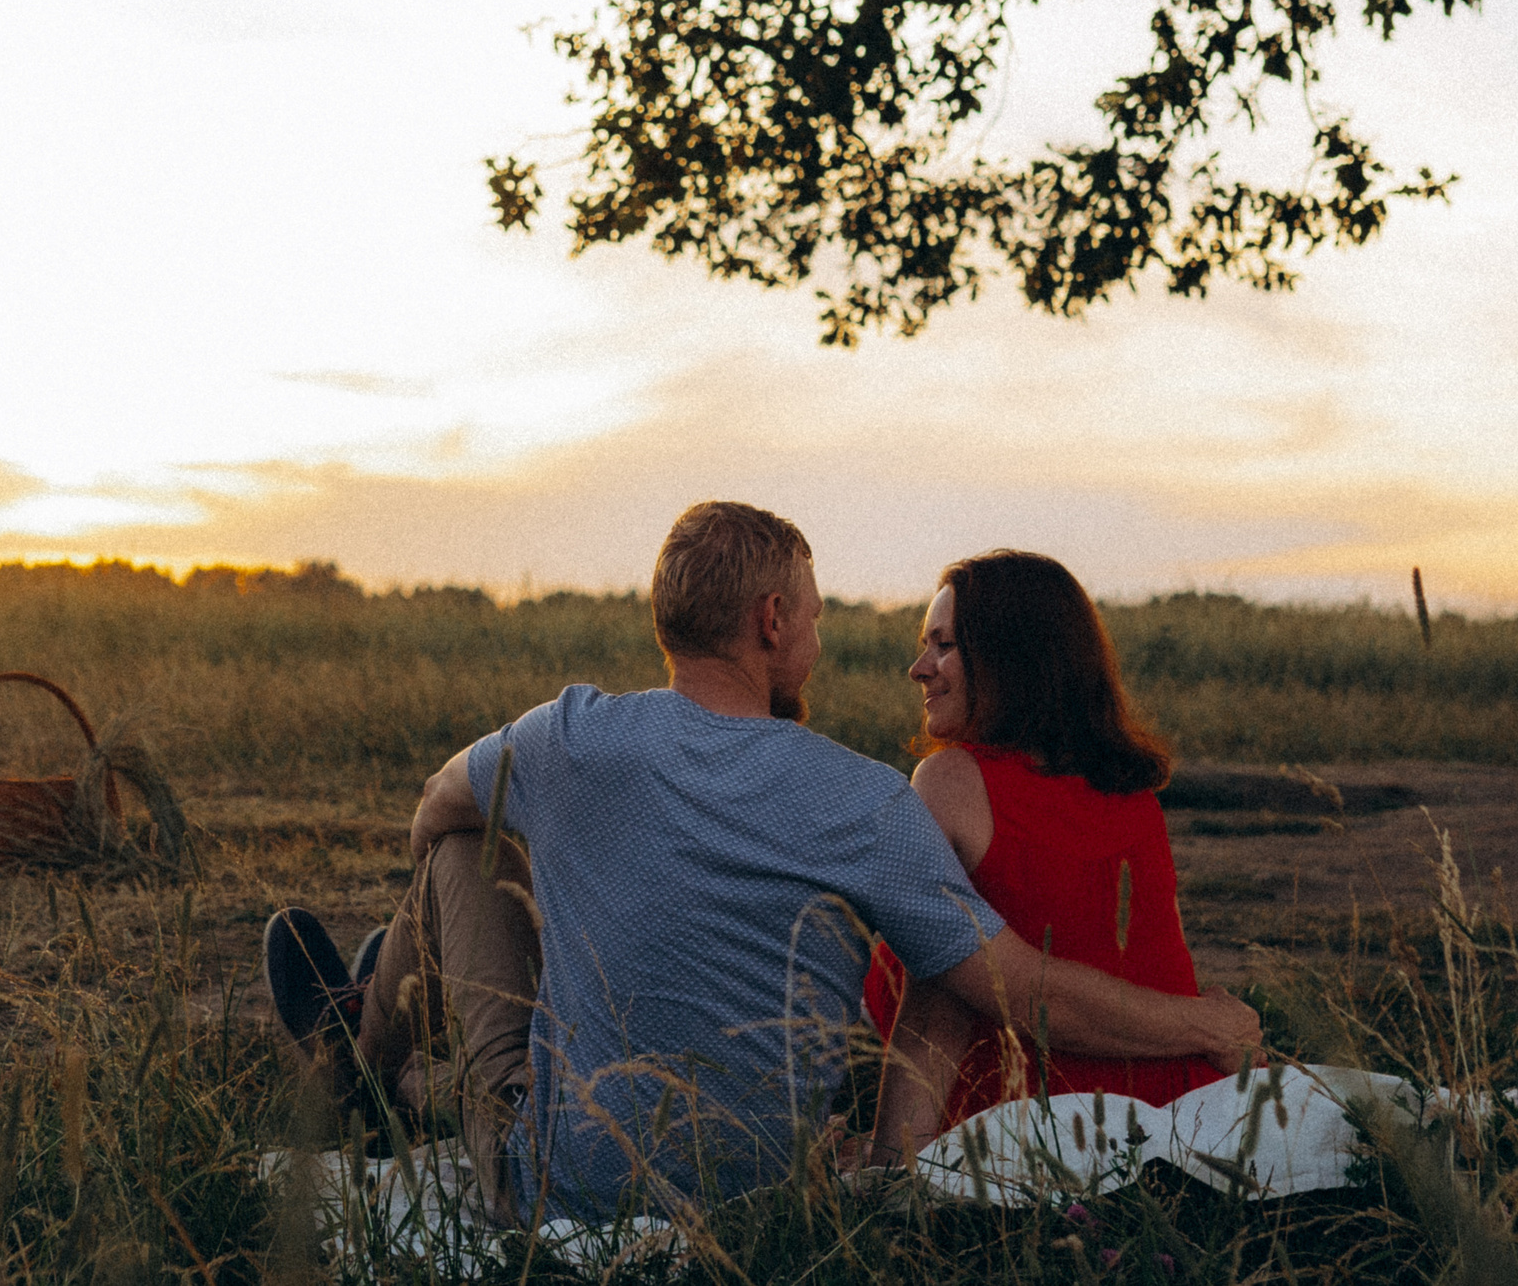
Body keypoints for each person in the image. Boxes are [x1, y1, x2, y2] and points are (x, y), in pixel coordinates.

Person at [262, 501, 1261, 1225]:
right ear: (772, 621)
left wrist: (546, 879)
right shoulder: (866, 798)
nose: (823, 640)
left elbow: (431, 811)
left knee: (461, 857)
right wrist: (1204, 1020)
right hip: (760, 1190)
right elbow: (1005, 984)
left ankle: (361, 1050)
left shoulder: (568, 736)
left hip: (559, 1180)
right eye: (818, 618)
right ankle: (375, 1049)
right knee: (506, 980)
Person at [863, 551, 1221, 1156]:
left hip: (1038, 1124)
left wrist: (887, 1165)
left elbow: (955, 1009)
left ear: (1010, 659)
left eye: (944, 645)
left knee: (942, 957)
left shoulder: (949, 782)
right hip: (1185, 1102)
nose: (918, 667)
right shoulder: (1133, 795)